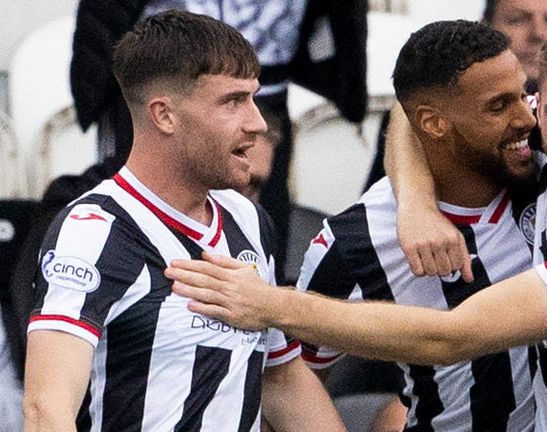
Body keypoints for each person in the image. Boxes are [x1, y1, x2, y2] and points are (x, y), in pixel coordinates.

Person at [166, 17, 547, 431]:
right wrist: (416, 202)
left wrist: (268, 302)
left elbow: (453, 337)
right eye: (544, 107)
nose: (535, 122)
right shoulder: (360, 237)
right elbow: (285, 372)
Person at [23, 11, 344, 432]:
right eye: (233, 102)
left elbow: (281, 377)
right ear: (164, 115)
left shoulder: (247, 218)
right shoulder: (93, 230)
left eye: (253, 97)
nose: (257, 122)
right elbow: (46, 410)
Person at [298, 20, 539, 431]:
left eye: (525, 95)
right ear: (433, 124)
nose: (527, 119)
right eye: (499, 106)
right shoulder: (356, 241)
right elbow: (293, 372)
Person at [70, 0, 368, 280]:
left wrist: (344, 76)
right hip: (167, 98)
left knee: (260, 232)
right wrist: (97, 90)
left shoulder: (257, 122)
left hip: (272, 87)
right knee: (141, 226)